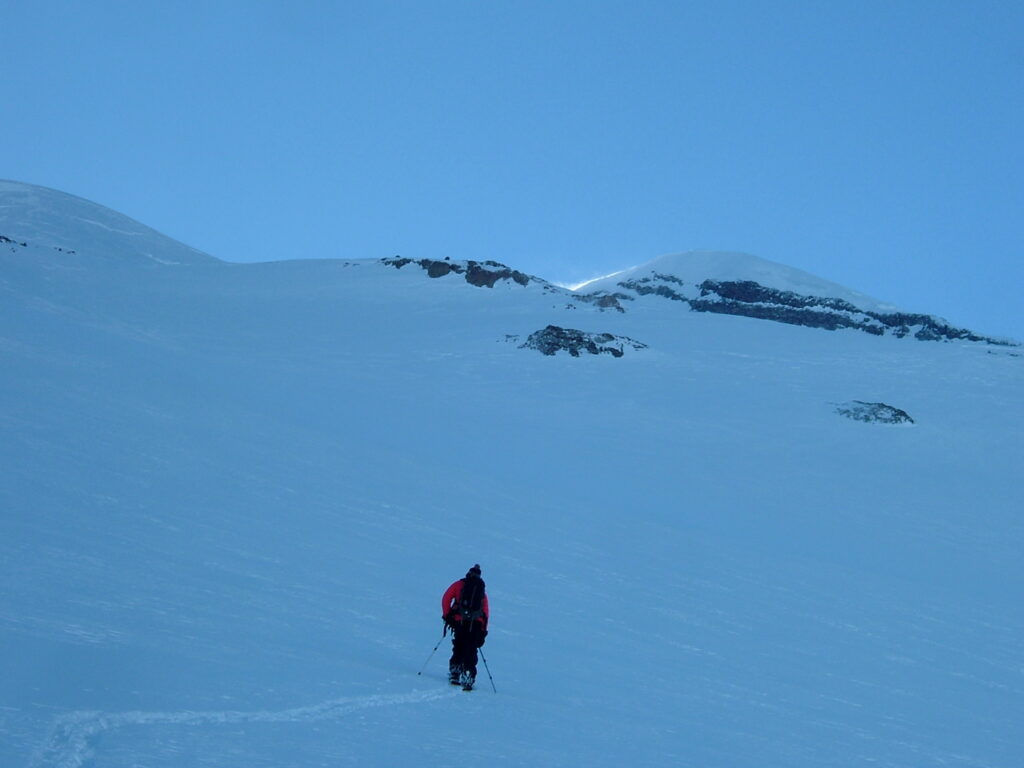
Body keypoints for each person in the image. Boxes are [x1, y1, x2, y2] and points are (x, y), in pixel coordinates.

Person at [441, 564, 489, 689]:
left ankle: (455, 670)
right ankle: (468, 674)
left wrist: (447, 615)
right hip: (476, 623)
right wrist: (483, 631)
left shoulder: (459, 584)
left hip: (459, 620)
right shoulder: (481, 589)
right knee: (471, 649)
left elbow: (446, 598)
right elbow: (485, 611)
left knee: (459, 644)